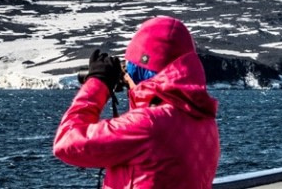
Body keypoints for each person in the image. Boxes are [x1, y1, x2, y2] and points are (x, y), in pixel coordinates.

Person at [53, 16, 220, 188]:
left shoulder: (149, 124)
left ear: (141, 72)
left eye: (130, 69)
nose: (126, 78)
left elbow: (66, 142)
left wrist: (98, 82)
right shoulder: (205, 121)